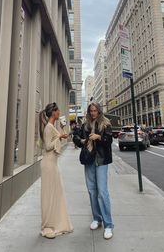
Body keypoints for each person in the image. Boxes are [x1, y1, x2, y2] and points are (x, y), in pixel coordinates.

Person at [73, 102, 114, 240]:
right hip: (89, 159)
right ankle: (97, 218)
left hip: (101, 160)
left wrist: (99, 137)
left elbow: (109, 140)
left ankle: (108, 225)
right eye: (91, 111)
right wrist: (82, 140)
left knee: (102, 191)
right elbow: (76, 137)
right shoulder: (85, 124)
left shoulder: (105, 123)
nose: (93, 113)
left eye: (95, 110)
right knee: (92, 190)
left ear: (99, 111)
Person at [39, 102, 73, 239]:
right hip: (48, 164)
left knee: (56, 194)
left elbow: (64, 138)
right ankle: (47, 226)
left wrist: (63, 129)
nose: (60, 113)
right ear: (53, 112)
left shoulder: (53, 126)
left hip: (53, 164)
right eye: (58, 110)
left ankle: (55, 223)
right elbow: (47, 146)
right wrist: (59, 136)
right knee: (49, 195)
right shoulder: (48, 127)